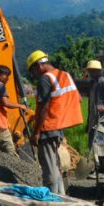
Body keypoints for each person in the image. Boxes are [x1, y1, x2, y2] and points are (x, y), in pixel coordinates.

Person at [27, 50, 82, 196]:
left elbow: (44, 107)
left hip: (48, 127)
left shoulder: (45, 79)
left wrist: (36, 132)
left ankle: (51, 199)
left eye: (33, 71)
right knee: (55, 164)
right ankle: (60, 195)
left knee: (48, 166)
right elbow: (79, 99)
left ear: (39, 65)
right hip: (59, 127)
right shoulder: (65, 75)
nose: (34, 75)